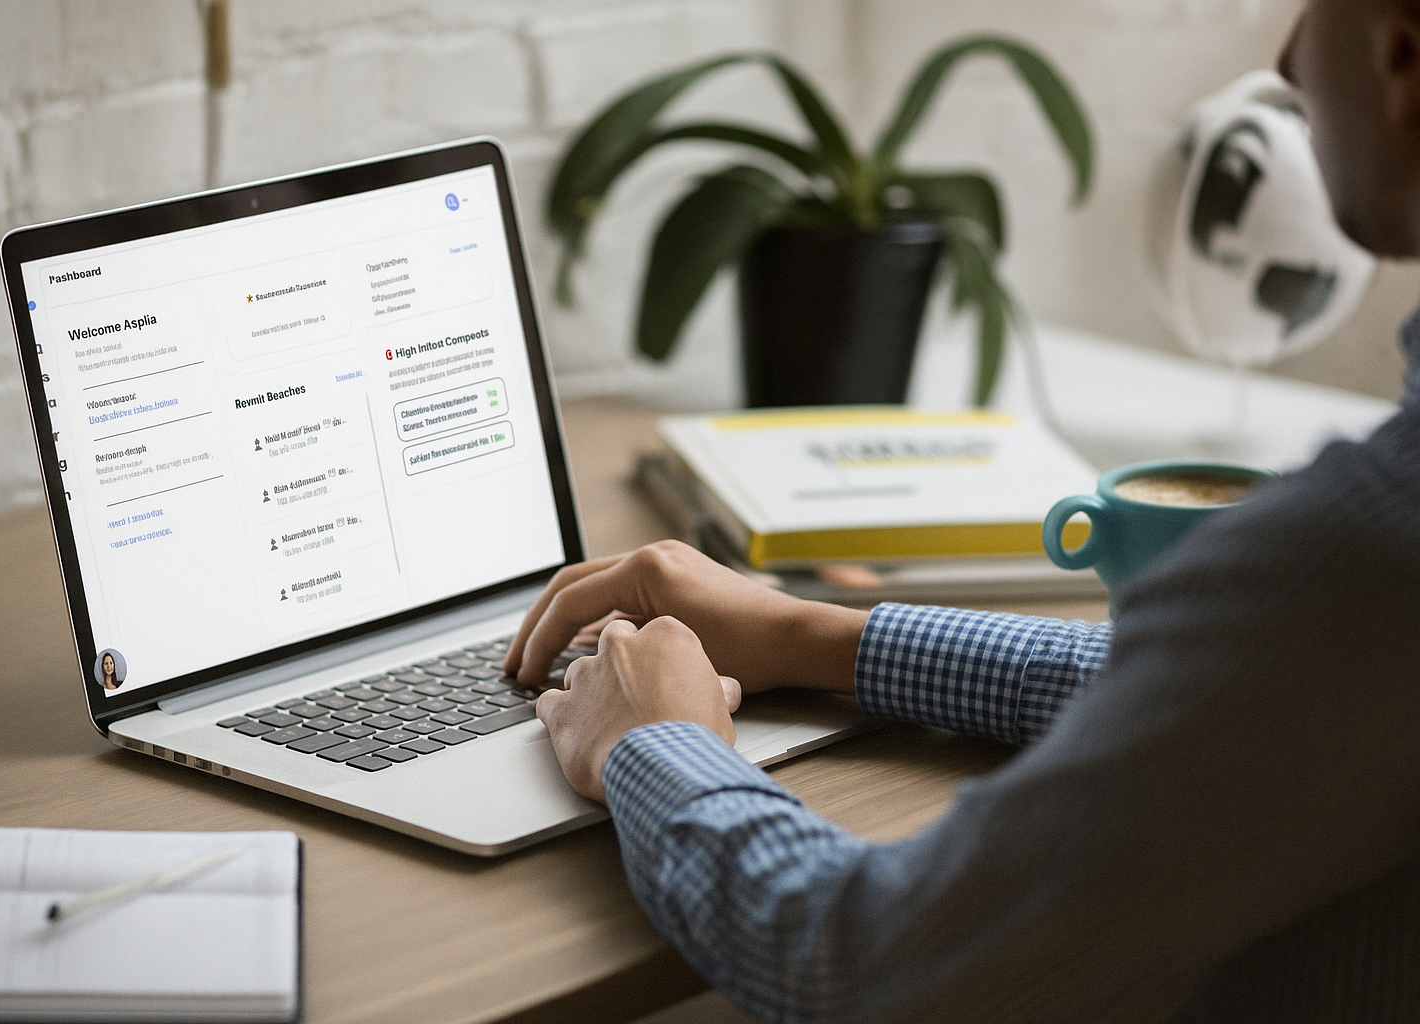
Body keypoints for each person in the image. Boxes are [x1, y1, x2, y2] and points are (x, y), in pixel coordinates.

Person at [502, 1, 1420, 1019]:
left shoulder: (1360, 561)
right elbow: (1247, 694)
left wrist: (651, 741)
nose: (1288, 59)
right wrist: (816, 636)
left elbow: (859, 966)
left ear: (1403, 57)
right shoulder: (1348, 602)